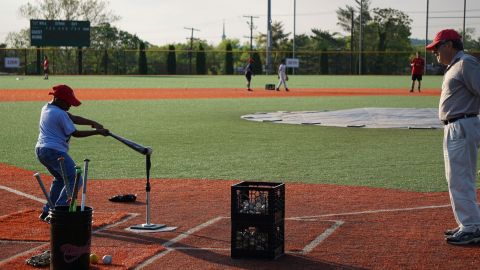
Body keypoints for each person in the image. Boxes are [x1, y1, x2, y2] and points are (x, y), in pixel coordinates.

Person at [426, 29, 480, 245]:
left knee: (460, 178)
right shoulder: (455, 65)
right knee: (456, 177)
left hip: (462, 124)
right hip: (456, 125)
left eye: (437, 47)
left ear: (449, 45)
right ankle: (469, 222)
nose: (435, 52)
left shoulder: (466, 62)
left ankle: (472, 226)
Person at [35, 84, 109, 223]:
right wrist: (98, 132)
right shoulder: (60, 113)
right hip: (54, 151)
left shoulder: (47, 108)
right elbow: (76, 133)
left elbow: (73, 117)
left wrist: (92, 123)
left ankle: (47, 210)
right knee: (76, 178)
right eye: (67, 102)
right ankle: (59, 211)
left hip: (41, 150)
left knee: (61, 179)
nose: (70, 105)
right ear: (57, 99)